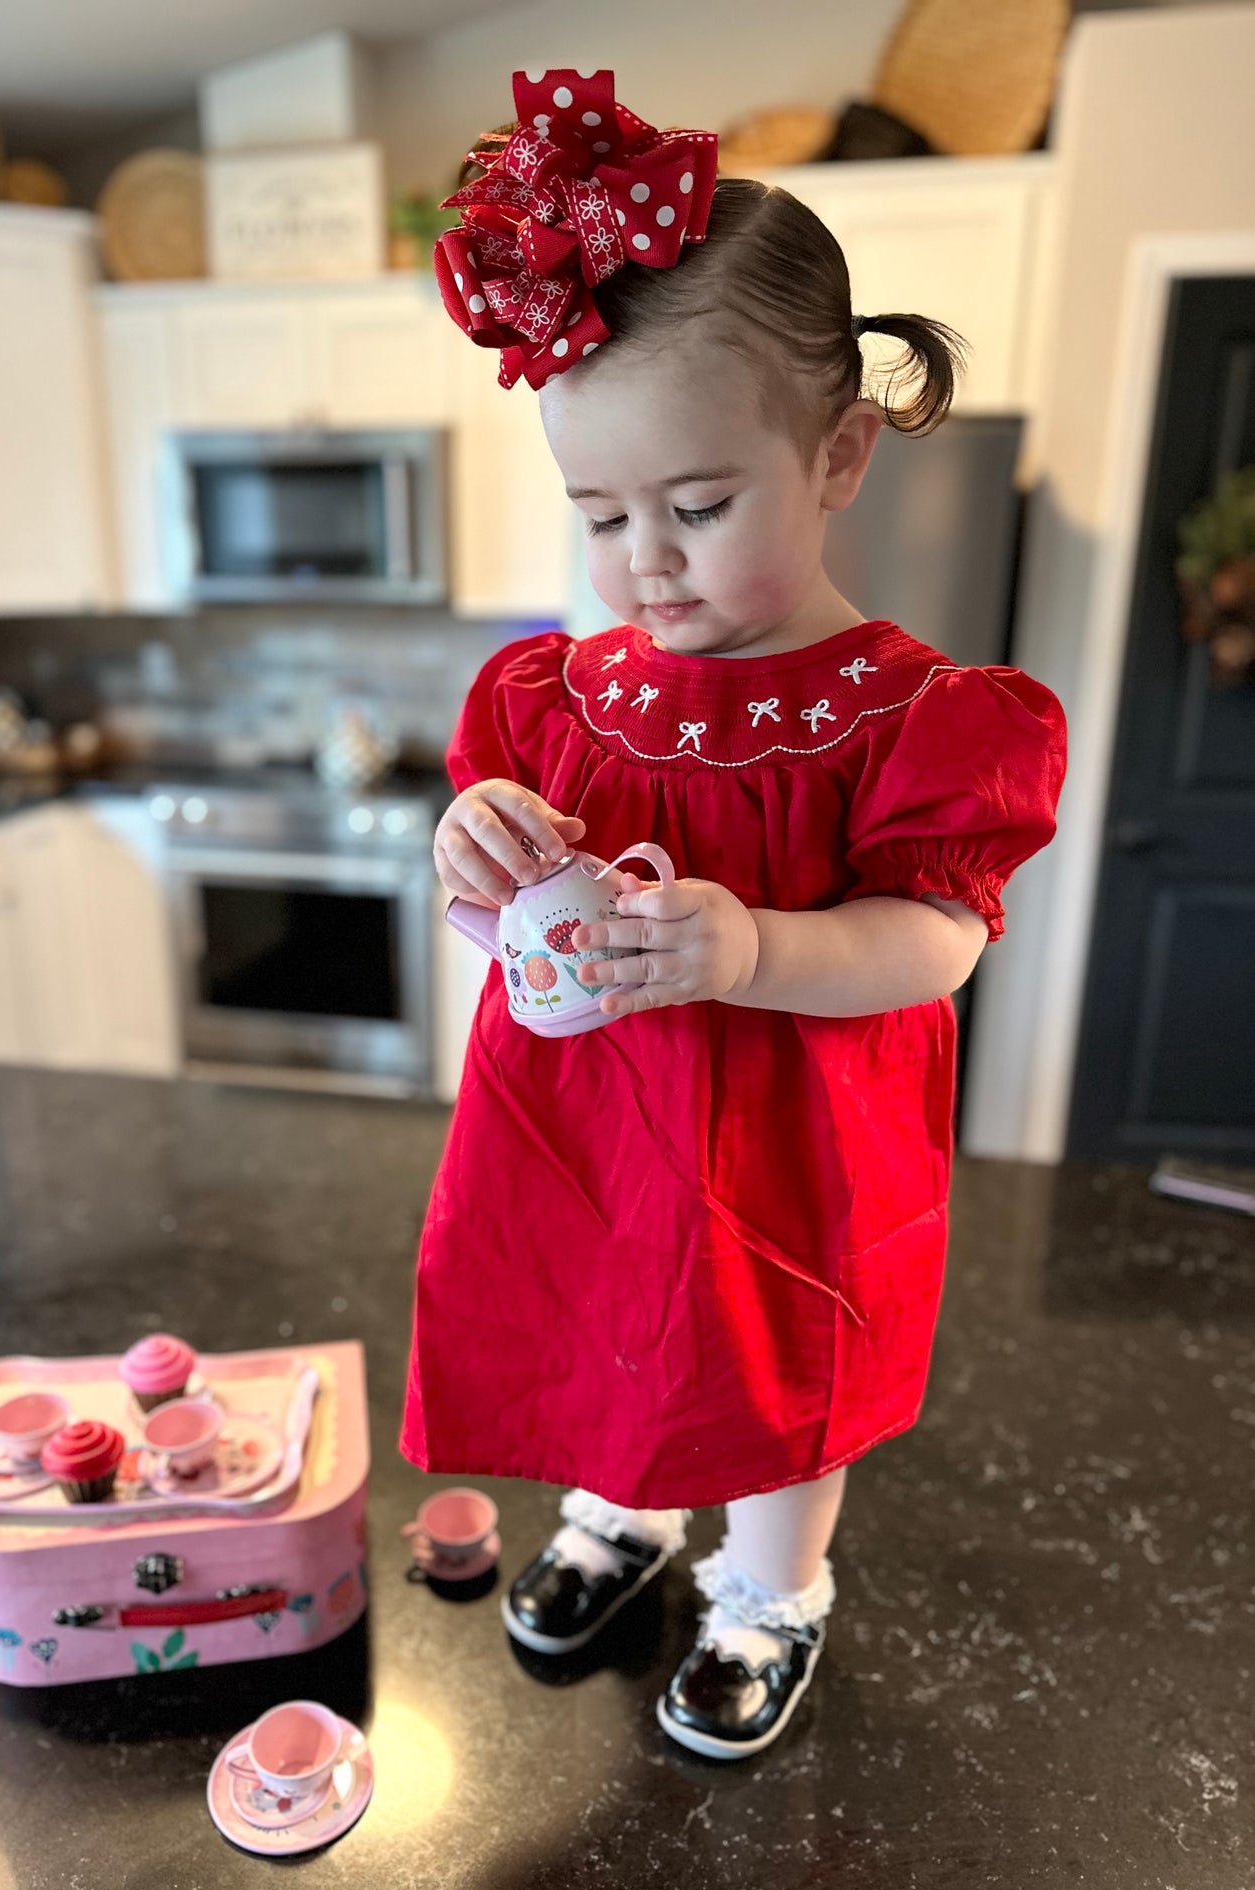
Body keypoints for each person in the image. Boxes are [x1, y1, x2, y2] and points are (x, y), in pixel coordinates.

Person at [400, 68, 1067, 1761]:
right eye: (599, 514)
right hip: (588, 1132)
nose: (644, 561)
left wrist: (754, 946)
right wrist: (473, 854)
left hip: (794, 1150)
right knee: (595, 1316)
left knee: (773, 1371)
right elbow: (504, 927)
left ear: (838, 454)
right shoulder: (553, 696)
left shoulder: (917, 713)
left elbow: (936, 938)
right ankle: (619, 1513)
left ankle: (769, 1595)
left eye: (696, 506)